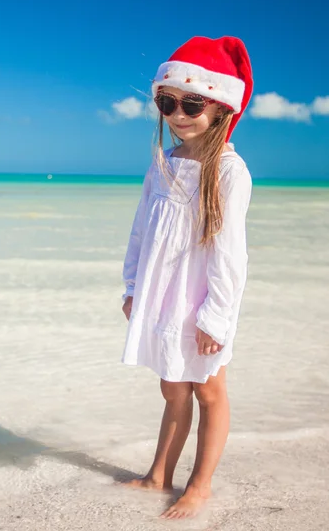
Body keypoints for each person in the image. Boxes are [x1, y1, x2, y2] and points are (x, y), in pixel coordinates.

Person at [120, 36, 254, 520]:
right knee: (172, 386)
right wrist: (133, 287)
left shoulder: (229, 173)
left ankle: (200, 486)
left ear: (220, 108)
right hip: (162, 298)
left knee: (208, 390)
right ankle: (159, 474)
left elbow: (230, 255)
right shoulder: (163, 164)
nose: (179, 113)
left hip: (201, 304)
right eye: (167, 101)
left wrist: (215, 318)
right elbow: (141, 231)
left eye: (193, 103)